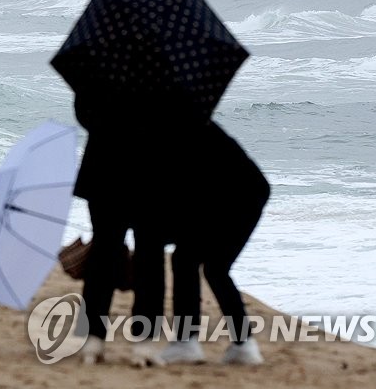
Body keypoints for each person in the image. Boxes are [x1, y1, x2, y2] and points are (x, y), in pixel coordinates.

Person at [71, 91, 191, 365]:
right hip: (154, 171)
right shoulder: (170, 65)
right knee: (150, 257)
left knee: (105, 251)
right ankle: (144, 344)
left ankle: (93, 340)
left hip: (105, 169)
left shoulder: (104, 63)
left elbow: (84, 114)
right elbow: (185, 119)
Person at [158, 122, 270, 365]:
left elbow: (187, 197)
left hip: (234, 196)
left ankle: (188, 342)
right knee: (211, 267)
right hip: (236, 193)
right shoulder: (184, 124)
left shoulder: (178, 132)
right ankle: (243, 346)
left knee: (194, 261)